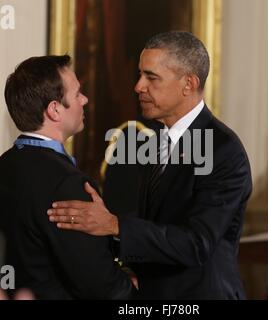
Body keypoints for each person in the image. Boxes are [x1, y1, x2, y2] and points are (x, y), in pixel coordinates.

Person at [47, 31, 253, 299]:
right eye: (140, 75)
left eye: (151, 77)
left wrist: (115, 225)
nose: (138, 86)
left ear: (188, 84)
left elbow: (196, 244)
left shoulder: (223, 150)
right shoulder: (157, 139)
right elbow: (156, 225)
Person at [0, 55, 133, 299]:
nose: (85, 99)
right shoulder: (68, 185)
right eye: (77, 94)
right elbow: (99, 283)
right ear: (54, 110)